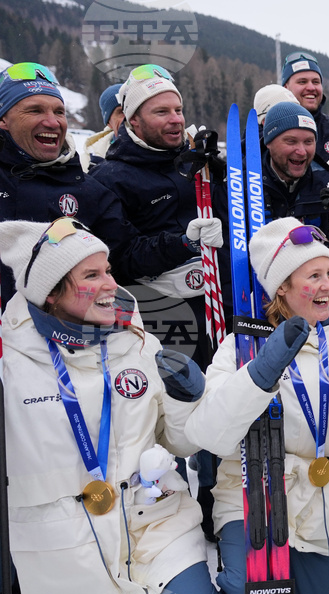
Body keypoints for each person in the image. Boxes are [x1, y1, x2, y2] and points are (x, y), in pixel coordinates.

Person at [0, 218, 224, 594]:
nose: (111, 283)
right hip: (65, 543)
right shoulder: (10, 361)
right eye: (92, 275)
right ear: (51, 292)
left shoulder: (135, 339)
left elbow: (176, 440)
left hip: (150, 520)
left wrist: (187, 400)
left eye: (108, 270)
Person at [184, 217, 329, 594]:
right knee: (247, 588)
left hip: (323, 498)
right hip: (253, 493)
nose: (327, 286)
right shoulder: (242, 344)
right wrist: (259, 374)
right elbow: (208, 433)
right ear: (281, 288)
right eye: (313, 276)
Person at [0, 63, 200, 309]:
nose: (52, 122)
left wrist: (184, 243)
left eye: (60, 112)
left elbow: (125, 256)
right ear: (3, 120)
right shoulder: (111, 177)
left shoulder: (88, 191)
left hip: (65, 339)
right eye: (34, 111)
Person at [91, 64, 227, 368]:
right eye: (162, 112)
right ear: (133, 120)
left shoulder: (196, 164)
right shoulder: (110, 178)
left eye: (178, 109)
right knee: (178, 407)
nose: (176, 119)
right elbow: (121, 259)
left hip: (217, 304)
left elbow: (227, 232)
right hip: (160, 315)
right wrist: (183, 244)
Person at [260, 100, 329, 312]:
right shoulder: (245, 185)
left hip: (315, 305)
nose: (302, 151)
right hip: (261, 304)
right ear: (269, 141)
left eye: (309, 141)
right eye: (291, 141)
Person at [282, 52, 329, 163]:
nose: (311, 87)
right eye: (302, 82)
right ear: (286, 88)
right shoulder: (268, 131)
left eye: (316, 82)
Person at [80, 82, 124, 171]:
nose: (129, 116)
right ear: (109, 123)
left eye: (132, 109)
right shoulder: (87, 162)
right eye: (121, 111)